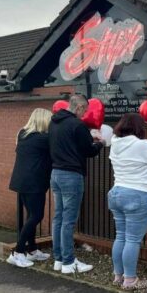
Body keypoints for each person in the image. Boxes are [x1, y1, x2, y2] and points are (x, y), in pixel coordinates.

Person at [108, 113, 147, 289]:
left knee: (120, 236)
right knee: (133, 239)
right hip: (138, 194)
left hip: (116, 192)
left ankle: (118, 275)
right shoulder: (141, 145)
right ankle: (130, 280)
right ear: (139, 128)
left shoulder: (115, 143)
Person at [49, 94, 103, 274]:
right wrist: (99, 143)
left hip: (55, 173)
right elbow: (88, 151)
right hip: (71, 175)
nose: (85, 114)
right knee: (68, 220)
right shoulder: (77, 125)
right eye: (84, 110)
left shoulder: (54, 122)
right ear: (78, 107)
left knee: (58, 217)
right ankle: (69, 262)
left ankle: (58, 258)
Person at [7, 108, 53, 268]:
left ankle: (32, 249)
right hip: (34, 182)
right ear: (43, 121)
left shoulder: (23, 135)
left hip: (22, 181)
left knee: (31, 215)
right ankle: (18, 252)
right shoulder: (43, 139)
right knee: (36, 216)